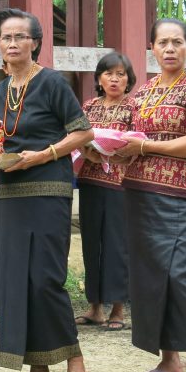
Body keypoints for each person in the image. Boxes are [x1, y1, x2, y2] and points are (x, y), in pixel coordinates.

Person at [113, 18, 186, 372]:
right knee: (150, 277)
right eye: (163, 42)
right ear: (152, 48)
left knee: (181, 274)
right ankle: (169, 361)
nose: (170, 48)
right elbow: (129, 137)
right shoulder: (143, 91)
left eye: (177, 42)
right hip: (139, 191)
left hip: (181, 194)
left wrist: (144, 148)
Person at [0, 9, 93, 372]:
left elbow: (83, 132)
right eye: (5, 37)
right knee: (19, 283)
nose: (12, 44)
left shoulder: (51, 83)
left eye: (20, 37)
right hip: (10, 192)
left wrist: (45, 154)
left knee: (46, 278)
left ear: (35, 42)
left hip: (48, 187)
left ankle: (76, 361)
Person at [75, 52, 137, 331]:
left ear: (128, 79)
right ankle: (95, 307)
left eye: (121, 74)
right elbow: (78, 136)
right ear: (99, 78)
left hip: (120, 184)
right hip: (90, 179)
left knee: (117, 244)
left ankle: (119, 308)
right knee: (91, 243)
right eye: (109, 73)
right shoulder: (89, 106)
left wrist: (115, 152)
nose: (115, 79)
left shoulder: (134, 107)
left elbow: (138, 142)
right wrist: (89, 150)